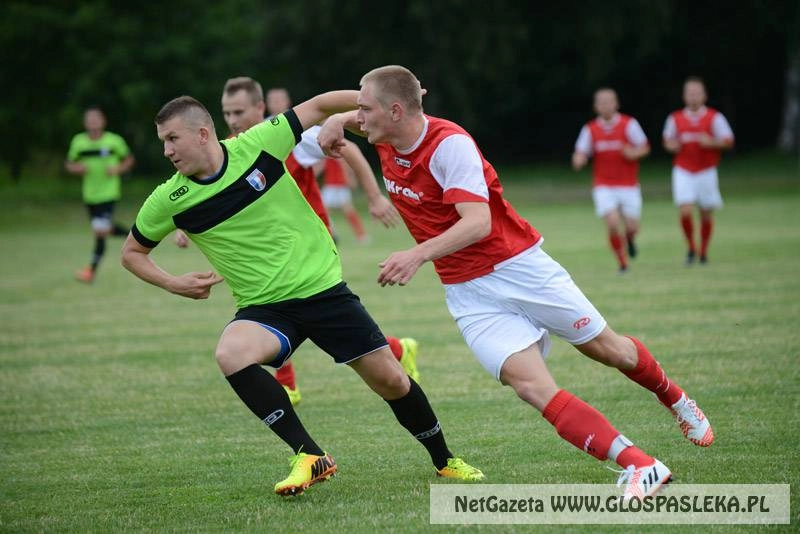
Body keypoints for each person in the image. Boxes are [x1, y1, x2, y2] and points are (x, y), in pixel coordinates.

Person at [318, 65, 714, 502]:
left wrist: (417, 254)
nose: (358, 115)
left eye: (364, 108)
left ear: (395, 111)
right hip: (467, 291)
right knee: (530, 387)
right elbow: (342, 106)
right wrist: (336, 120)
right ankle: (641, 465)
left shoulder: (449, 146)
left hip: (518, 267)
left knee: (609, 350)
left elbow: (478, 222)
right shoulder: (382, 129)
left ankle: (675, 398)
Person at [121, 91, 483, 497]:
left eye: (172, 139)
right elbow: (132, 253)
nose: (167, 151)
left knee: (392, 381)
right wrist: (174, 283)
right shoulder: (169, 199)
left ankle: (445, 460)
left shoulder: (257, 144)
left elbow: (318, 104)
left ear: (203, 134)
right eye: (163, 143)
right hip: (265, 308)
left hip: (322, 291)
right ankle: (309, 456)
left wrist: (379, 99)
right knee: (231, 353)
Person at [213, 77, 417, 407]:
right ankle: (396, 349)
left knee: (287, 310)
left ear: (259, 108)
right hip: (273, 250)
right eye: (227, 113)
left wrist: (374, 196)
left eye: (239, 112)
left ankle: (291, 382)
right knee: (282, 312)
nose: (233, 120)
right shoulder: (227, 151)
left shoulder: (285, 135)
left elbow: (347, 147)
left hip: (311, 247)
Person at [572, 88, 650, 273]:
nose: (606, 105)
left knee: (631, 227)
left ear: (616, 103)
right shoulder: (590, 129)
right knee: (613, 223)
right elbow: (581, 151)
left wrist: (634, 153)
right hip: (604, 185)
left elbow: (644, 147)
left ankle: (630, 239)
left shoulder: (629, 124)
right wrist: (579, 159)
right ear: (596, 106)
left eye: (609, 101)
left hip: (628, 184)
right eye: (601, 102)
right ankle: (623, 263)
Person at [662, 76, 734, 265]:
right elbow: (667, 141)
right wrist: (672, 146)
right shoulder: (675, 118)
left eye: (697, 93)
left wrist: (711, 142)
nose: (693, 97)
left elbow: (728, 140)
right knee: (685, 210)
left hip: (706, 170)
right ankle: (691, 247)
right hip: (683, 170)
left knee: (705, 212)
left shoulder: (714, 117)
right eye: (690, 93)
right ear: (684, 96)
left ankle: (703, 251)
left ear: (704, 96)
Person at [65, 106, 135, 283]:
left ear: (103, 121)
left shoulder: (113, 141)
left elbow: (129, 160)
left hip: (109, 193)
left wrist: (118, 168)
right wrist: (76, 168)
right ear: (85, 123)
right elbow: (69, 164)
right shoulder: (78, 142)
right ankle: (133, 235)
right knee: (103, 229)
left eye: (96, 119)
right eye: (89, 119)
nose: (93, 122)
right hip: (90, 194)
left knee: (99, 231)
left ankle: (90, 271)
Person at [319, 157, 370, 243]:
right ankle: (329, 233)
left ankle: (361, 235)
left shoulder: (340, 152)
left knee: (348, 211)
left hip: (341, 185)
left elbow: (347, 167)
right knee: (323, 211)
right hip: (330, 185)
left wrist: (351, 179)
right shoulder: (326, 151)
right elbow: (320, 165)